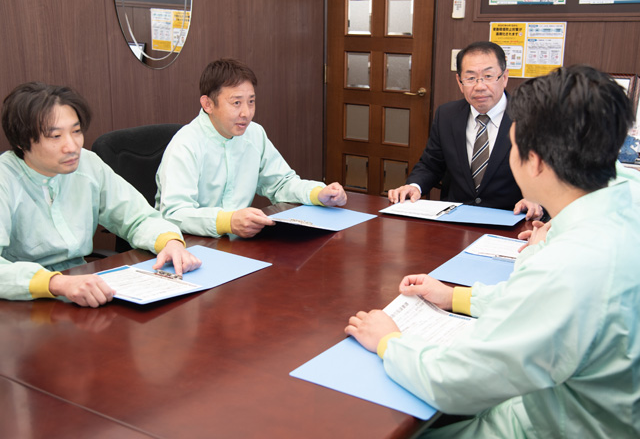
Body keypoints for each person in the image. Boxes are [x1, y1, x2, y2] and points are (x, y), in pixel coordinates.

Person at [345, 65, 640, 437]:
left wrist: (390, 342)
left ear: (534, 161)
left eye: (514, 146)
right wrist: (458, 296)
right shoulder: (627, 195)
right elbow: (539, 306)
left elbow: (459, 384)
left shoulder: (568, 265)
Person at [0, 82, 202, 308]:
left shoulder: (87, 164)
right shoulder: (4, 179)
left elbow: (138, 216)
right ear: (21, 141)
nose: (72, 146)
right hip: (21, 302)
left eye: (76, 131)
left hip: (83, 287)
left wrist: (170, 242)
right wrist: (56, 283)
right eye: (55, 136)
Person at [155, 58, 347, 238]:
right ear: (208, 104)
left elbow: (280, 183)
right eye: (236, 103)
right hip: (190, 245)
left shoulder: (254, 134)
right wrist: (227, 221)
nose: (246, 113)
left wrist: (318, 194)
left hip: (237, 244)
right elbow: (174, 213)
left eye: (251, 102)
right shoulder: (185, 144)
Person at [388, 41, 542, 220]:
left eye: (488, 76)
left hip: (510, 219)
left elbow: (549, 172)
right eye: (470, 78)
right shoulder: (447, 115)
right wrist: (414, 186)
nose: (480, 86)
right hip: (455, 218)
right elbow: (431, 164)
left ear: (505, 77)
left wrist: (536, 200)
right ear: (459, 82)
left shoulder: (531, 117)